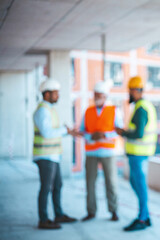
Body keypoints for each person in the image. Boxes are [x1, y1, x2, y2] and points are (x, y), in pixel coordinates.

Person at [33, 79, 78, 229]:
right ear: (46, 94)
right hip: (45, 156)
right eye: (55, 93)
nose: (58, 96)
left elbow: (52, 132)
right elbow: (47, 133)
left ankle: (58, 215)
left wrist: (67, 132)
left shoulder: (50, 109)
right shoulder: (43, 111)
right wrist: (65, 131)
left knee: (57, 185)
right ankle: (43, 219)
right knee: (46, 188)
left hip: (52, 155)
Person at [115, 76, 157, 231]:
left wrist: (123, 132)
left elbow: (138, 133)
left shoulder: (141, 108)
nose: (129, 94)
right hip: (139, 154)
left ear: (136, 90)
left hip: (139, 154)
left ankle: (142, 218)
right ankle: (145, 216)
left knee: (139, 185)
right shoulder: (143, 106)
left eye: (131, 91)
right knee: (136, 183)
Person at [80, 81, 121, 222]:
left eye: (100, 95)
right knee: (90, 183)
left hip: (107, 152)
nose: (97, 97)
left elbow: (119, 130)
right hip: (91, 152)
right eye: (95, 95)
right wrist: (91, 136)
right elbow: (81, 131)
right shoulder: (88, 111)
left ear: (105, 96)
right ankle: (91, 211)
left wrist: (105, 135)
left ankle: (114, 210)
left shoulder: (114, 110)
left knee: (111, 182)